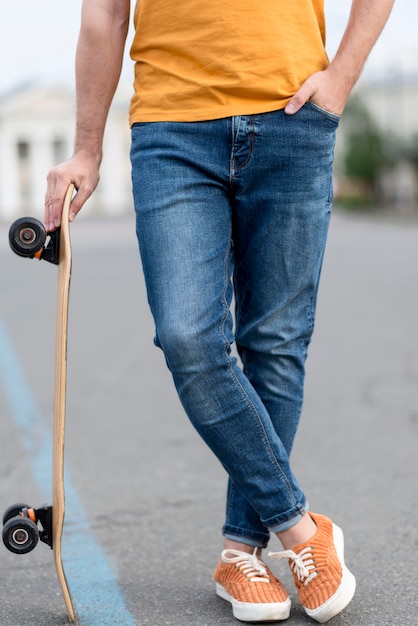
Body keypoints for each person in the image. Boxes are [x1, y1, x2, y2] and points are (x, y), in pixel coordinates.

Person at [45, 1, 394, 622]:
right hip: (173, 128)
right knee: (187, 336)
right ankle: (298, 528)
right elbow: (103, 14)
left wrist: (341, 76)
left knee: (277, 344)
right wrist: (86, 148)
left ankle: (241, 552)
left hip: (293, 115)